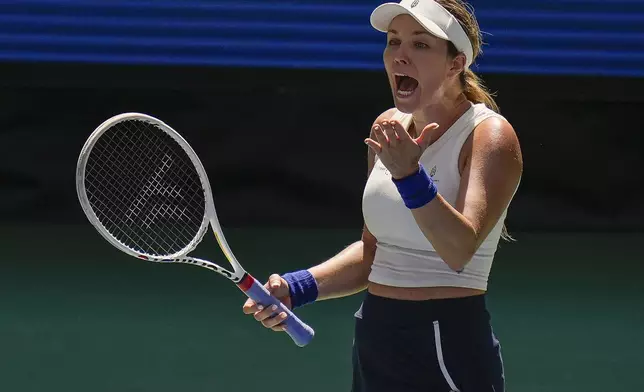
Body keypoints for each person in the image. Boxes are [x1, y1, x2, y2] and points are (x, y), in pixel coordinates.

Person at [242, 0, 523, 390]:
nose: (400, 56)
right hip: (376, 334)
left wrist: (409, 175)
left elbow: (460, 250)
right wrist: (298, 287)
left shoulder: (489, 135)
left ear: (455, 64)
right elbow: (373, 251)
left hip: (447, 340)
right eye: (393, 43)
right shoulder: (388, 128)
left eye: (420, 45)